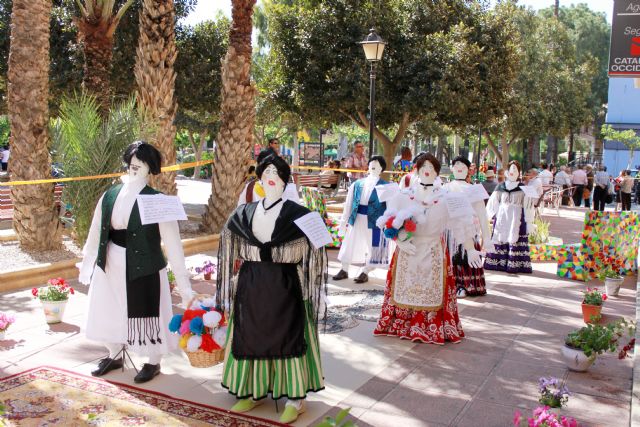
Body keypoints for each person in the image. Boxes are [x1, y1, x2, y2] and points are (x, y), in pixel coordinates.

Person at [216, 153, 327, 424]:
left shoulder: (302, 216)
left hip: (287, 285)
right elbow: (228, 245)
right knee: (251, 333)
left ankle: (294, 398)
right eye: (266, 175)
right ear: (259, 181)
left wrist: (314, 291)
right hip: (251, 284)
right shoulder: (243, 213)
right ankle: (252, 391)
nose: (270, 179)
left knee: (289, 336)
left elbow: (317, 256)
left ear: (285, 181)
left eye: (276, 176)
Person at [78, 141, 195, 383]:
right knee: (108, 307)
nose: (135, 167)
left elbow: (173, 243)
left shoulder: (157, 200)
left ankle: (153, 362)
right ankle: (113, 354)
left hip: (145, 265)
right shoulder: (109, 195)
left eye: (141, 164)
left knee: (148, 314)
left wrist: (184, 286)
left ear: (151, 169)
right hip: (110, 259)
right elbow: (95, 229)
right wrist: (88, 261)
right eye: (132, 162)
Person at [373, 153, 482, 343]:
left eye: (432, 167)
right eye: (423, 166)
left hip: (433, 248)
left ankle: (429, 327)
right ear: (416, 169)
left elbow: (460, 224)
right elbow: (389, 221)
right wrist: (399, 241)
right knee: (406, 286)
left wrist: (470, 248)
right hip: (408, 249)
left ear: (437, 172)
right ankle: (403, 324)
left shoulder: (447, 197)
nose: (427, 170)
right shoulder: (403, 195)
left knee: (431, 287)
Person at [333, 156, 391, 283]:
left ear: (382, 169)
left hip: (375, 221)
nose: (374, 165)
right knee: (349, 243)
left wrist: (389, 223)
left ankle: (366, 271)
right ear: (368, 166)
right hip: (357, 217)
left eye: (378, 164)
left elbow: (390, 207)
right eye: (372, 163)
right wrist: (343, 223)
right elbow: (348, 204)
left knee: (375, 247)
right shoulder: (356, 184)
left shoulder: (386, 186)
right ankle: (344, 268)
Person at [445, 156, 493, 298]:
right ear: (452, 168)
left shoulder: (474, 189)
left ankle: (465, 285)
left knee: (466, 256)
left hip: (469, 230)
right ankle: (449, 284)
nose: (459, 167)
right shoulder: (444, 188)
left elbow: (482, 214)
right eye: (456, 165)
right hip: (449, 230)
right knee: (450, 257)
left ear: (468, 170)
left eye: (463, 166)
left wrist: (487, 238)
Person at [484, 160, 535, 274]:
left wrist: (529, 222)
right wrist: (486, 217)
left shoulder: (523, 188)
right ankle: (498, 263)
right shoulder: (500, 186)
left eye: (515, 169)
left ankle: (515, 264)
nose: (512, 171)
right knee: (500, 236)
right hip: (502, 216)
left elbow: (528, 206)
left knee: (514, 237)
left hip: (517, 217)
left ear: (519, 173)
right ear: (507, 172)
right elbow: (493, 202)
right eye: (511, 169)